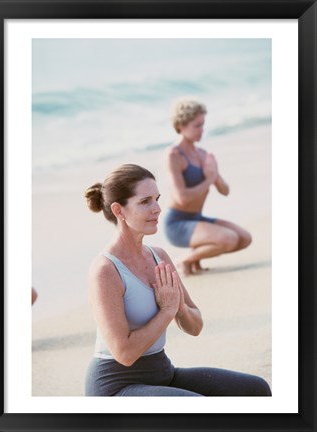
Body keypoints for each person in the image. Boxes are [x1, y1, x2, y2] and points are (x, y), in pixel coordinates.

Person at [84, 163, 271, 397]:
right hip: (116, 387)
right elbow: (124, 353)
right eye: (145, 202)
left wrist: (178, 306)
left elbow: (195, 327)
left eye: (157, 199)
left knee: (255, 390)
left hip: (162, 373)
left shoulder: (158, 256)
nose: (158, 209)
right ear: (119, 211)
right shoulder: (105, 270)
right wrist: (167, 311)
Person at [164, 98, 252, 276]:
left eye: (203, 125)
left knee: (244, 238)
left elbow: (225, 191)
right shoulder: (174, 155)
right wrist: (208, 179)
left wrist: (215, 176)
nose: (202, 130)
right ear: (181, 126)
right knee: (229, 238)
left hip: (196, 218)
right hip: (178, 223)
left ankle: (193, 260)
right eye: (197, 126)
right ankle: (181, 262)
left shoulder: (202, 154)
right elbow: (182, 197)